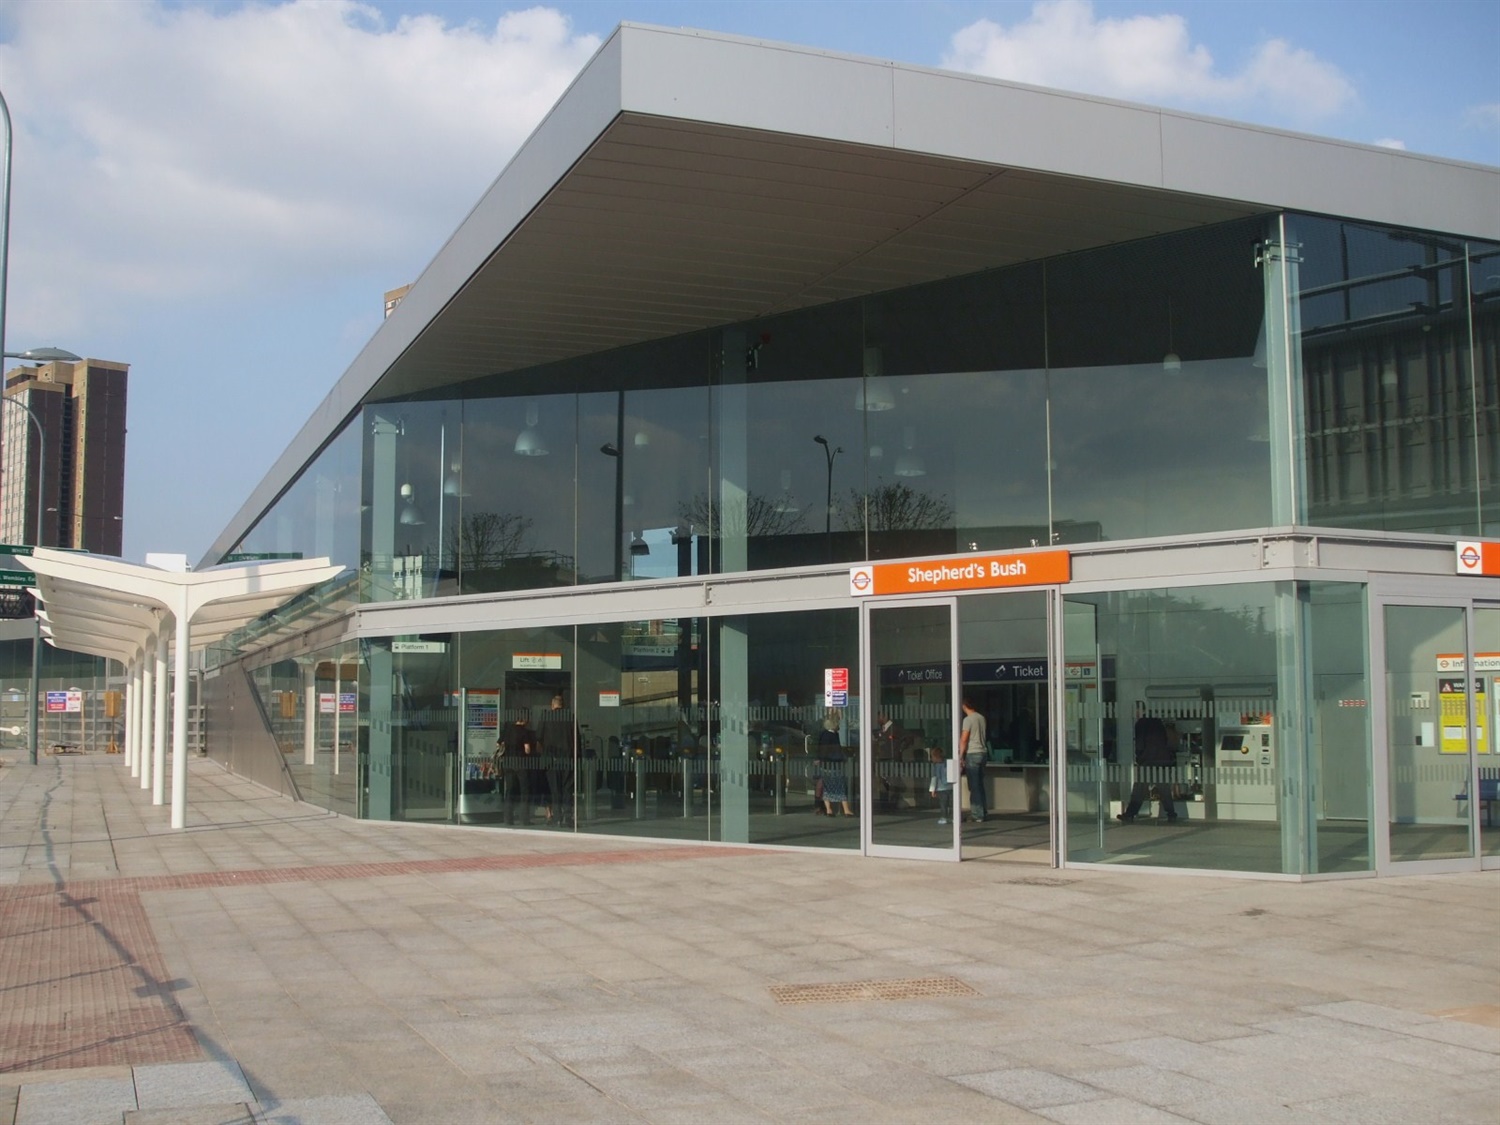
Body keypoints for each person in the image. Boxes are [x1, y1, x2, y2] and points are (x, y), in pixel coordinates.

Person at [1118, 705, 1178, 823]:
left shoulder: (1141, 723)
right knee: (1164, 788)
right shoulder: (1158, 723)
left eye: (1136, 711)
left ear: (1141, 711)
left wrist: (1139, 758)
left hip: (1148, 760)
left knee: (1139, 789)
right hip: (1163, 760)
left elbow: (1140, 743)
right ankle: (1171, 814)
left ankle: (1130, 814)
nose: (1135, 714)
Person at [496, 714, 538, 826]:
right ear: (524, 720)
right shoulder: (524, 732)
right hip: (520, 763)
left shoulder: (507, 730)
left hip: (508, 763)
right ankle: (524, 819)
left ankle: (508, 818)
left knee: (509, 790)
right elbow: (527, 749)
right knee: (524, 790)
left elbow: (498, 744)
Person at [539, 693, 573, 826]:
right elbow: (576, 739)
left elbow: (539, 737)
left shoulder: (546, 717)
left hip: (551, 760)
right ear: (563, 706)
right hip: (567, 760)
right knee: (567, 790)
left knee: (555, 790)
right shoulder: (570, 717)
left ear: (552, 705)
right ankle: (568, 817)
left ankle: (557, 817)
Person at [816, 712, 854, 817]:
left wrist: (820, 759)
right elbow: (835, 750)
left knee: (827, 788)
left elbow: (821, 749)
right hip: (834, 765)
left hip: (825, 765)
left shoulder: (823, 734)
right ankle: (846, 810)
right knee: (840, 786)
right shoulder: (832, 735)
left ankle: (829, 809)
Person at [959, 697, 987, 823]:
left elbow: (964, 738)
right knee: (980, 784)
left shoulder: (967, 720)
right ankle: (982, 811)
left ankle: (977, 814)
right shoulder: (981, 717)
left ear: (964, 706)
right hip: (982, 752)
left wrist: (960, 755)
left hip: (973, 753)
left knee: (974, 786)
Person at [928, 745, 953, 825]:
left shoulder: (936, 766)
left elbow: (934, 778)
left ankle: (944, 817)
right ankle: (953, 817)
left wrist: (932, 790)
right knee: (951, 803)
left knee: (943, 804)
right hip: (950, 786)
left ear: (935, 757)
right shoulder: (947, 763)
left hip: (941, 788)